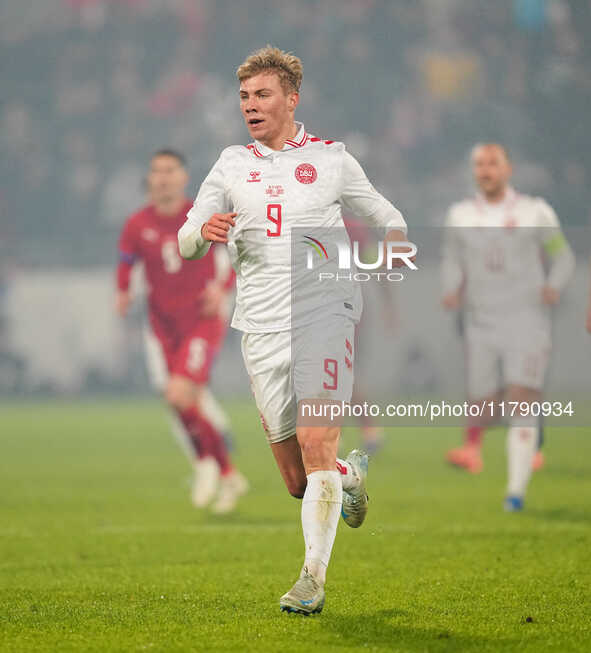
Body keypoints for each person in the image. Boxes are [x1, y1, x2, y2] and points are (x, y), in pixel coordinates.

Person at [178, 46, 409, 614]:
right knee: (298, 480)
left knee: (314, 442)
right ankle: (349, 477)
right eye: (244, 97)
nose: (250, 106)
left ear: (291, 99)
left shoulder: (331, 160)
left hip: (325, 313)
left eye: (261, 95)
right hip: (260, 328)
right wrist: (201, 231)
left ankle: (311, 580)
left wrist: (396, 242)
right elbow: (184, 240)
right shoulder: (231, 164)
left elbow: (386, 213)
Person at [441, 143, 574, 509]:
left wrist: (554, 286)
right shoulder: (460, 215)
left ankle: (515, 492)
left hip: (526, 320)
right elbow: (453, 258)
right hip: (480, 322)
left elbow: (563, 256)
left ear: (508, 169)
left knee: (522, 396)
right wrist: (451, 288)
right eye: (479, 164)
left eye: (493, 164)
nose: (485, 170)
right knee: (486, 401)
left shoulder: (535, 211)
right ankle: (482, 449)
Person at [116, 149, 248, 514]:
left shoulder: (202, 216)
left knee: (180, 394)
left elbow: (238, 255)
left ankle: (207, 464)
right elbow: (126, 262)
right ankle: (227, 472)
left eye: (170, 170)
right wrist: (122, 291)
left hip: (202, 320)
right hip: (162, 326)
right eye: (156, 171)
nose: (162, 177)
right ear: (150, 179)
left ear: (183, 177)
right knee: (179, 401)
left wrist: (220, 291)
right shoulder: (137, 223)